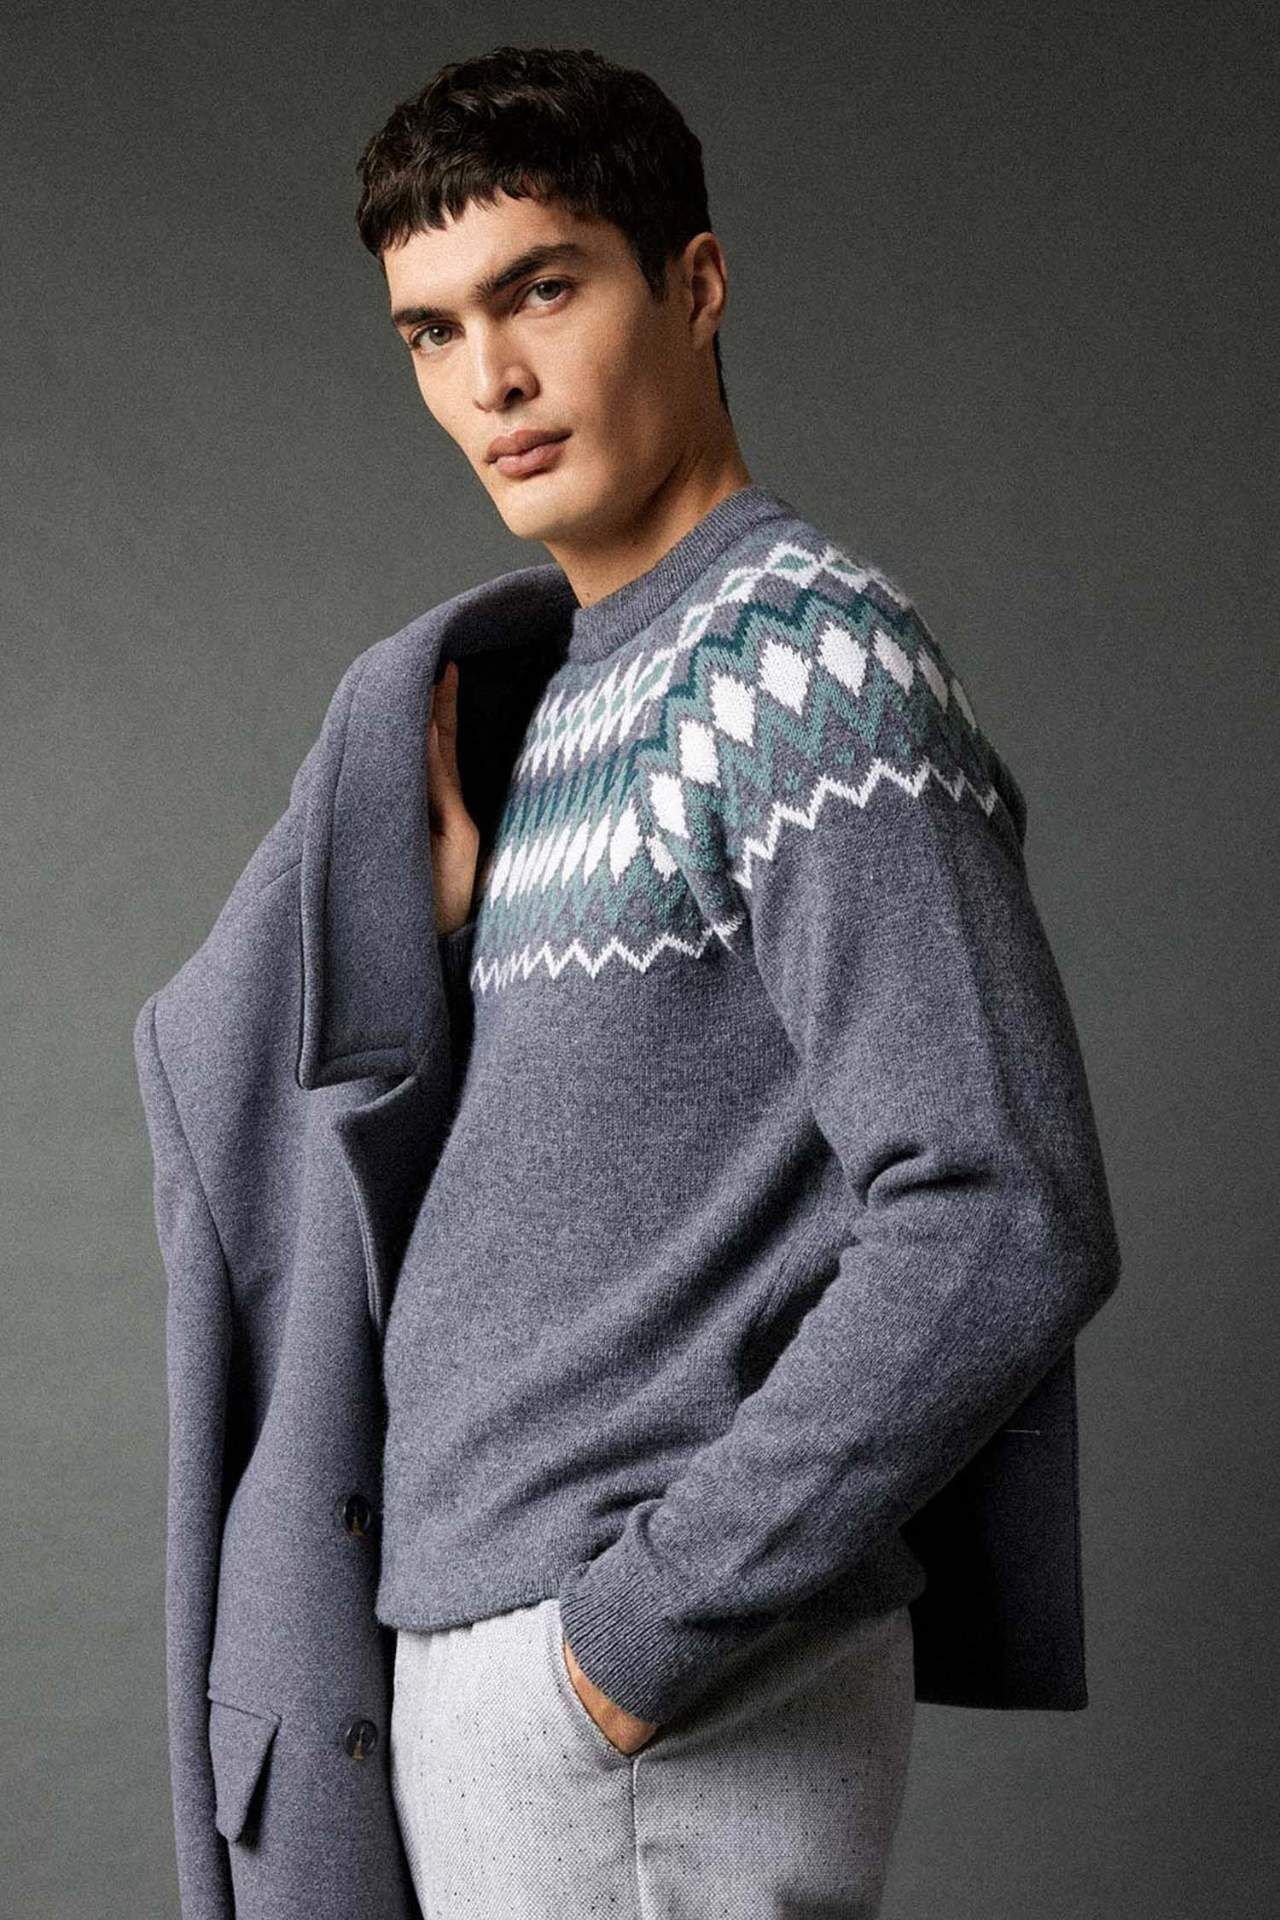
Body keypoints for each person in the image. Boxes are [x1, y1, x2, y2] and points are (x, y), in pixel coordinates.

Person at [351, 43, 1121, 1919]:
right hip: (535, 1674)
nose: (491, 380)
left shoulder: (799, 662)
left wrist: (635, 1640)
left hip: (643, 1701)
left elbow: (1005, 1206)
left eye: (543, 289)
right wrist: (455, 949)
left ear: (693, 285)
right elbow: (602, 1191)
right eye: (435, 331)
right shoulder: (587, 694)